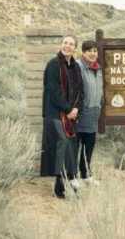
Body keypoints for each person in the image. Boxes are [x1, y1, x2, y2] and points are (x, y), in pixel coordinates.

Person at [40, 35, 84, 199]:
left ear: (75, 48)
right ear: (61, 45)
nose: (67, 46)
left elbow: (80, 90)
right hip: (55, 113)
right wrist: (68, 109)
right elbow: (53, 90)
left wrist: (77, 109)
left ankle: (68, 181)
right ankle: (62, 184)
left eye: (71, 44)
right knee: (62, 144)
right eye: (65, 43)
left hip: (71, 114)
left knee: (70, 146)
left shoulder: (75, 67)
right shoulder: (53, 64)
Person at [76, 40, 103, 185]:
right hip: (80, 114)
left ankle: (86, 174)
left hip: (93, 114)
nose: (93, 54)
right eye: (89, 51)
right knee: (75, 147)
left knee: (89, 146)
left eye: (95, 51)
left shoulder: (98, 69)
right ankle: (72, 176)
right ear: (83, 52)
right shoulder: (77, 67)